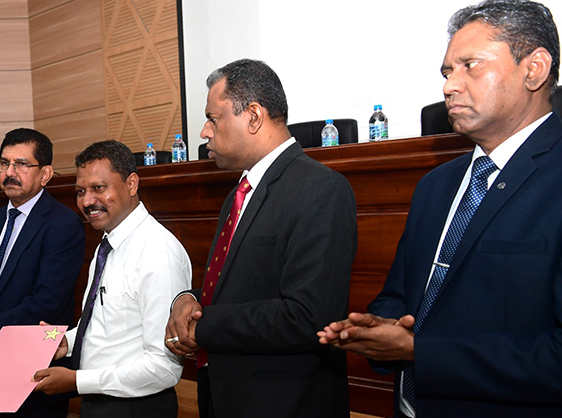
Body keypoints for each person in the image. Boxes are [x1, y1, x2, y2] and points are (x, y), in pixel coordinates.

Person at [318, 1, 562, 416]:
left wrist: (421, 351)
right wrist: (379, 329)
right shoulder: (435, 185)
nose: (450, 86)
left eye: (470, 66)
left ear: (534, 68)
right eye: (447, 72)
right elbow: (400, 294)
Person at [165, 59, 357, 418]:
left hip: (284, 404)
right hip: (228, 395)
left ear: (253, 116)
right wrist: (188, 299)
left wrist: (203, 326)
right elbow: (238, 285)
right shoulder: (240, 192)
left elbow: (307, 317)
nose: (204, 131)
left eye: (213, 118)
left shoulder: (321, 188)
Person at [33, 140, 191, 418]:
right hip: (100, 402)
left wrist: (78, 381)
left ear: (131, 184)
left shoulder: (157, 253)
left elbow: (164, 368)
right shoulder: (108, 244)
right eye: (80, 191)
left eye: (98, 188)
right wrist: (67, 342)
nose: (86, 201)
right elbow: (108, 326)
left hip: (136, 408)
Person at [0, 128, 85, 418]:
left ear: (45, 174)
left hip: (29, 370)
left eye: (21, 164)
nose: (9, 172)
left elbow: (45, 303)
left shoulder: (63, 224)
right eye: (4, 163)